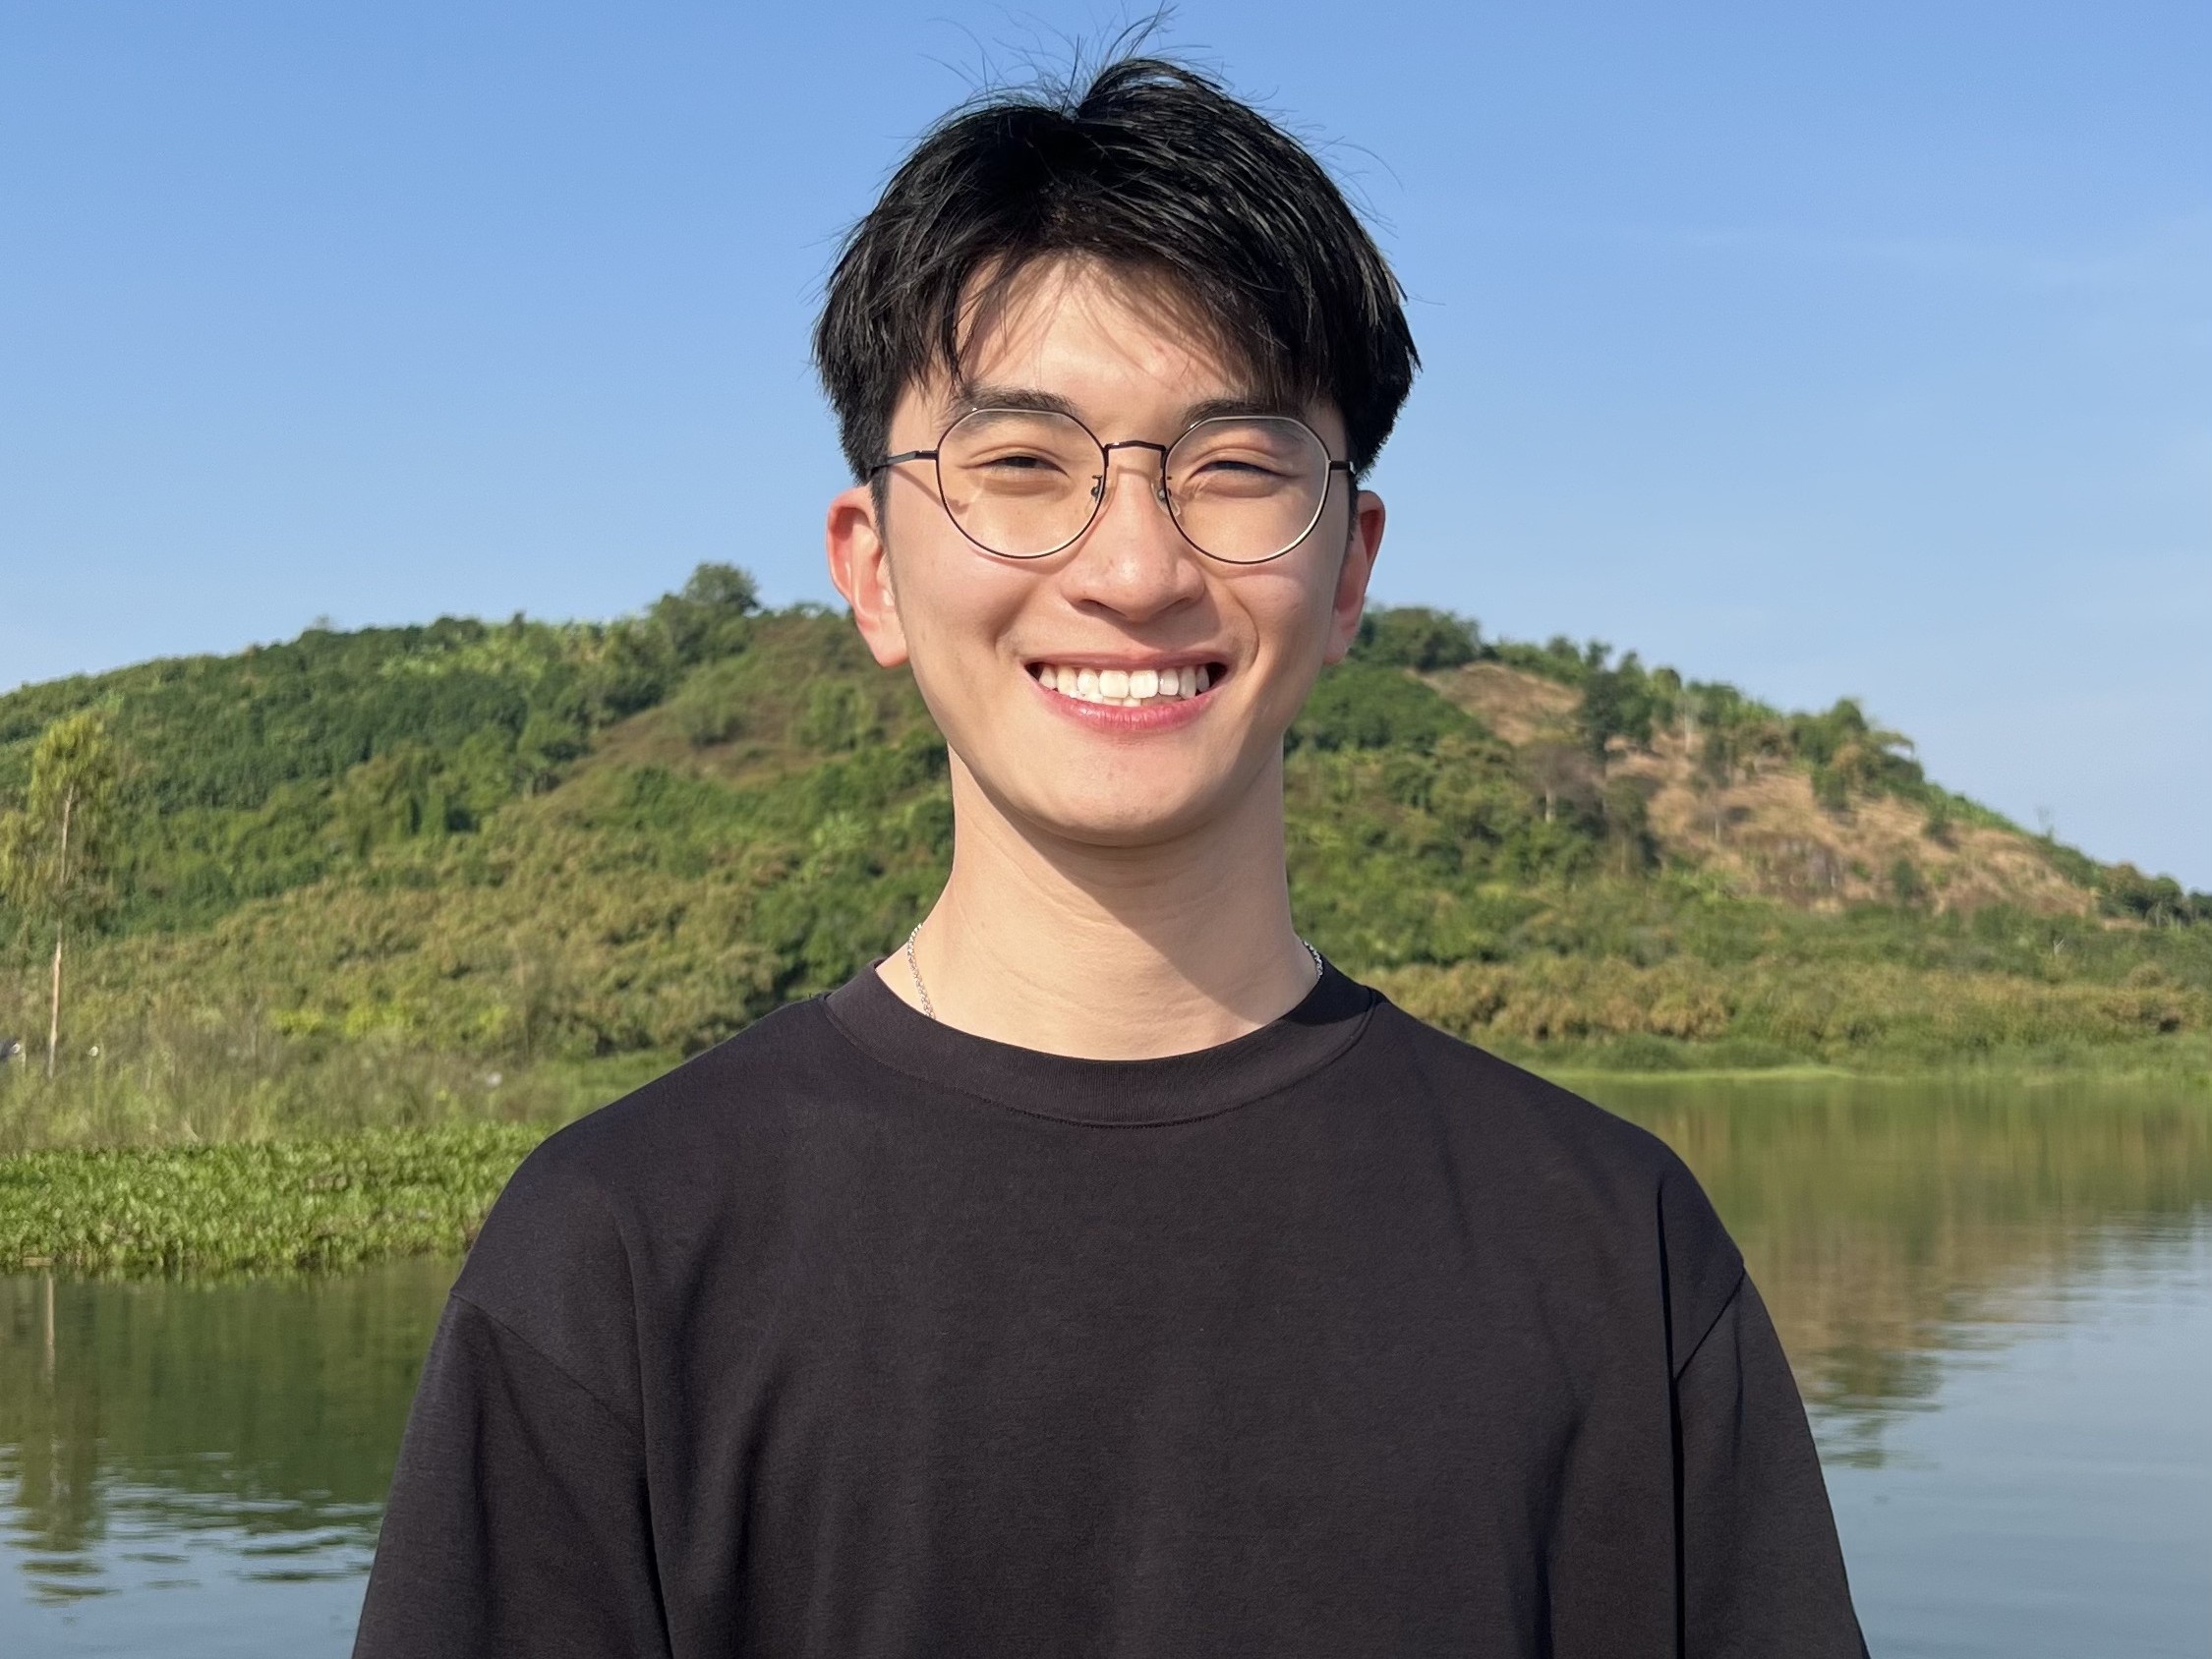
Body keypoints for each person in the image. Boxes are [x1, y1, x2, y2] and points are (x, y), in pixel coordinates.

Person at [353, 57, 1866, 1659]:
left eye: (1233, 468)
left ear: (1347, 566)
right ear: (870, 569)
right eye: (1020, 468)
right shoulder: (620, 1252)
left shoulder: (1606, 1243)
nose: (1134, 568)